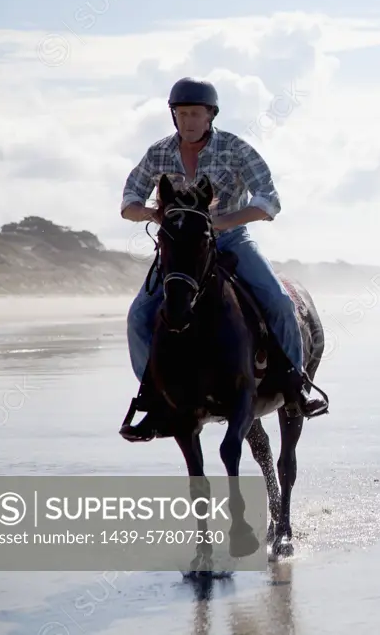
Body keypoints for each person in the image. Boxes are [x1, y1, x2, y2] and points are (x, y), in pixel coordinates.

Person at [118, 76, 327, 442]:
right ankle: (154, 397)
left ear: (210, 115)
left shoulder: (235, 149)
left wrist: (224, 221)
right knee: (139, 315)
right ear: (173, 116)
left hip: (231, 240)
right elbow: (128, 203)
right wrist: (155, 214)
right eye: (182, 114)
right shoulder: (158, 153)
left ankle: (296, 383)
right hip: (182, 249)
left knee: (277, 300)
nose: (188, 121)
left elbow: (269, 200)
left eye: (196, 114)